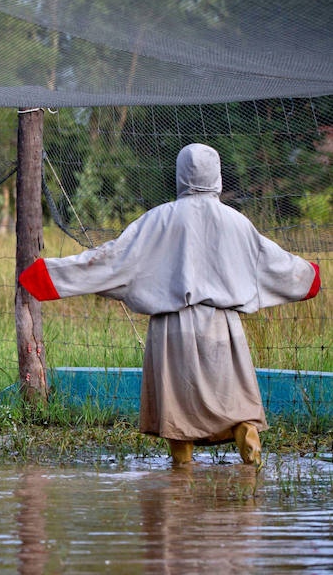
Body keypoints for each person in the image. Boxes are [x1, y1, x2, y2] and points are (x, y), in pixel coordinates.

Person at [19, 143, 320, 466]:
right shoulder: (236, 222)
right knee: (232, 399)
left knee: (178, 415)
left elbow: (111, 260)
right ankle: (245, 429)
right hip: (223, 326)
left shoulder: (158, 219)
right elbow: (274, 264)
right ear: (217, 176)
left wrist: (49, 277)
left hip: (170, 328)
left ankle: (182, 471)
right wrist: (309, 277)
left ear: (180, 175)